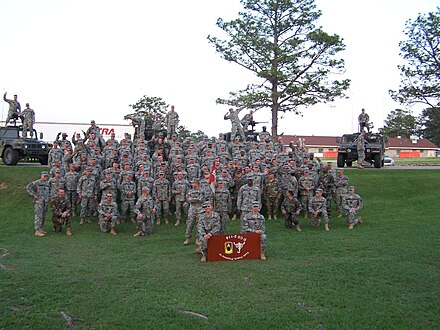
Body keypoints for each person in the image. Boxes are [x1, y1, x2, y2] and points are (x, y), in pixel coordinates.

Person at [26, 171, 50, 237]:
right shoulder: (37, 182)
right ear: (41, 176)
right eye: (44, 176)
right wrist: (34, 195)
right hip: (39, 202)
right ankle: (37, 230)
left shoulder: (47, 183)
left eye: (46, 176)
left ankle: (40, 228)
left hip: (45, 202)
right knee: (38, 216)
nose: (45, 177)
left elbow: (48, 191)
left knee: (43, 216)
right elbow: (28, 187)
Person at [183, 179, 204, 246]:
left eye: (194, 183)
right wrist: (195, 199)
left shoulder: (202, 191)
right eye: (192, 183)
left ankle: (197, 239)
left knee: (199, 224)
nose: (192, 184)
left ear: (197, 183)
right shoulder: (190, 191)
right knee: (190, 224)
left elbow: (201, 199)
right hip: (192, 210)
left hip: (200, 209)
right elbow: (187, 199)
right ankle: (187, 238)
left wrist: (192, 199)